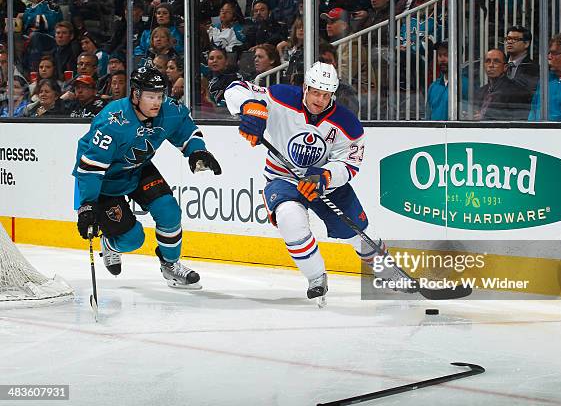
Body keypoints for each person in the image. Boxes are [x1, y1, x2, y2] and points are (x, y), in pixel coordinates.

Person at [224, 62, 389, 302]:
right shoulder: (281, 97)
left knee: (358, 233)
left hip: (325, 183)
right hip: (283, 176)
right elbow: (235, 88)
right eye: (315, 92)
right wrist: (251, 107)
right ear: (305, 87)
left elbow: (349, 164)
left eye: (326, 94)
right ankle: (316, 277)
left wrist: (326, 175)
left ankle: (389, 273)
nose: (320, 99)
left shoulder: (348, 123)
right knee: (289, 218)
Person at [72, 66, 222, 289]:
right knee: (133, 240)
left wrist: (197, 150)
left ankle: (170, 265)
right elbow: (90, 167)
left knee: (169, 211)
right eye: (150, 96)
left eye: (160, 96)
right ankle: (111, 245)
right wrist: (87, 205)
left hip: (137, 169)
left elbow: (185, 128)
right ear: (135, 94)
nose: (156, 102)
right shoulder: (112, 122)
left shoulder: (168, 110)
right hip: (103, 182)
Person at [473, 49, 531, 121]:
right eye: (488, 61)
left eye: (496, 61)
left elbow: (518, 118)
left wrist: (486, 117)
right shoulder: (481, 91)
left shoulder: (515, 91)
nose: (491, 65)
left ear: (505, 67)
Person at [504, 26, 539, 94]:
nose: (509, 42)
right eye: (508, 38)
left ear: (526, 44)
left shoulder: (534, 68)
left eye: (515, 39)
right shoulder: (501, 64)